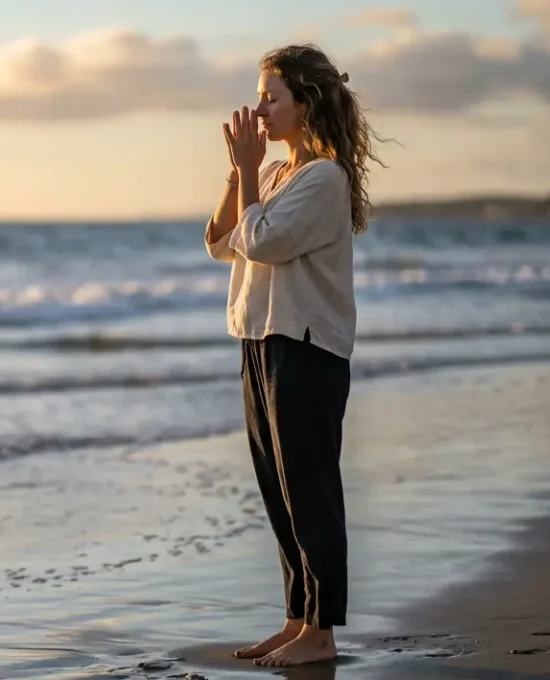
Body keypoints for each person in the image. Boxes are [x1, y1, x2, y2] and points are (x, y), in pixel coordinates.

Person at [203, 43, 386, 668]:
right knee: (279, 491)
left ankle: (323, 631)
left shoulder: (323, 177)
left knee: (310, 490)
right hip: (259, 342)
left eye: (271, 98)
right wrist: (239, 172)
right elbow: (221, 243)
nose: (259, 110)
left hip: (306, 348)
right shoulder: (277, 175)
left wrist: (250, 172)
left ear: (304, 104)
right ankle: (296, 618)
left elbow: (266, 243)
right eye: (258, 97)